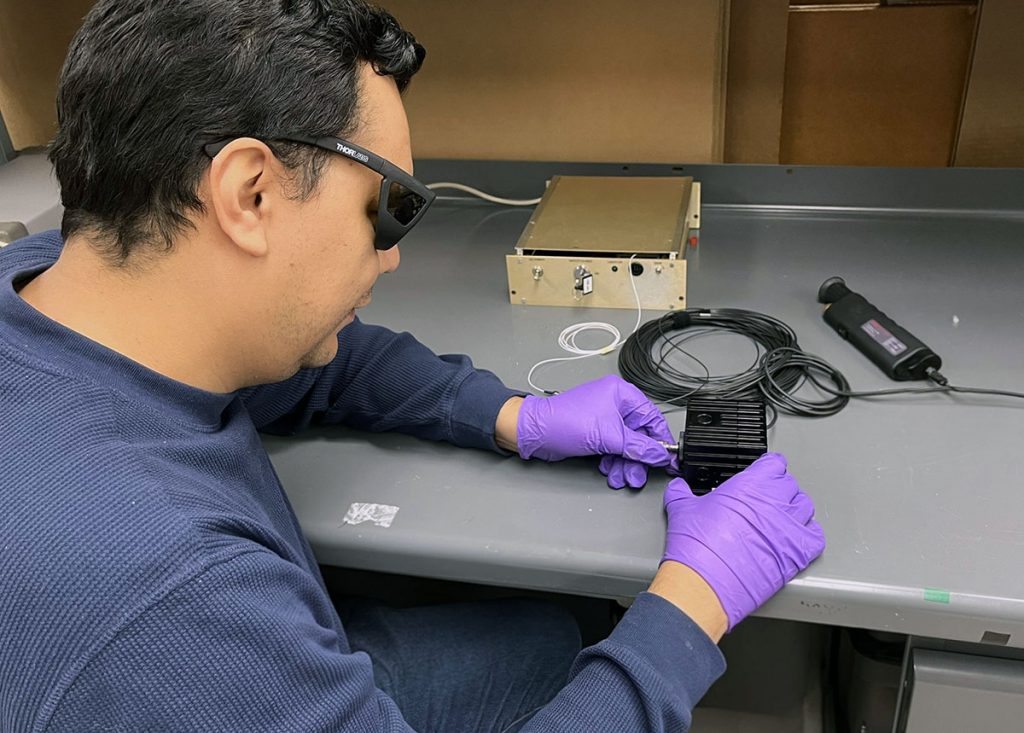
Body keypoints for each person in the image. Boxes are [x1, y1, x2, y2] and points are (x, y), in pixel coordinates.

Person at [0, 1, 825, 731]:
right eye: (387, 210)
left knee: (556, 630)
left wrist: (512, 416)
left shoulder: (58, 281)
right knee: (603, 638)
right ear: (249, 192)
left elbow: (307, 359)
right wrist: (693, 604)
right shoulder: (168, 596)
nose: (392, 260)